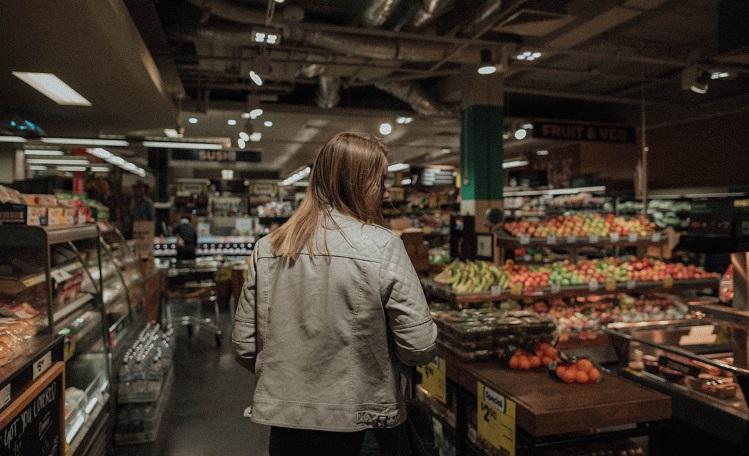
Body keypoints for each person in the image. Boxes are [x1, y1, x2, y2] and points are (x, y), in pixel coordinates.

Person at [232, 132, 437, 456]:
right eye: (380, 182)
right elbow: (420, 346)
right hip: (365, 425)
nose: (386, 193)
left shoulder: (268, 248)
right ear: (355, 183)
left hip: (288, 428)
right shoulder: (383, 246)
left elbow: (244, 346)